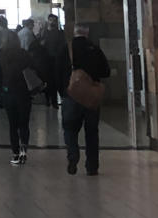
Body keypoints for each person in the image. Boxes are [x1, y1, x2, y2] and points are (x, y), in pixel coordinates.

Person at [62, 25, 112, 176]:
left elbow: (57, 70)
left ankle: (73, 154)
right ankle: (92, 166)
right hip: (91, 97)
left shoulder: (67, 49)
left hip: (72, 96)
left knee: (70, 128)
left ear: (74, 32)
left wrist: (62, 89)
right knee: (91, 132)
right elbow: (106, 71)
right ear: (87, 33)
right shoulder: (95, 49)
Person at [0, 39, 35, 165]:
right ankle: (24, 151)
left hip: (9, 94)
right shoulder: (25, 56)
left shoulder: (3, 58)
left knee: (13, 126)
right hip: (24, 94)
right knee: (24, 124)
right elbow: (34, 70)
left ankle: (15, 153)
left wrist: (1, 95)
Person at [37, 15, 70, 109]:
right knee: (48, 81)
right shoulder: (44, 33)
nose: (52, 22)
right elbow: (39, 45)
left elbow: (63, 47)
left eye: (54, 20)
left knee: (55, 81)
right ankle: (48, 100)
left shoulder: (59, 34)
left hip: (56, 60)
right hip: (47, 61)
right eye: (51, 20)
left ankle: (54, 101)